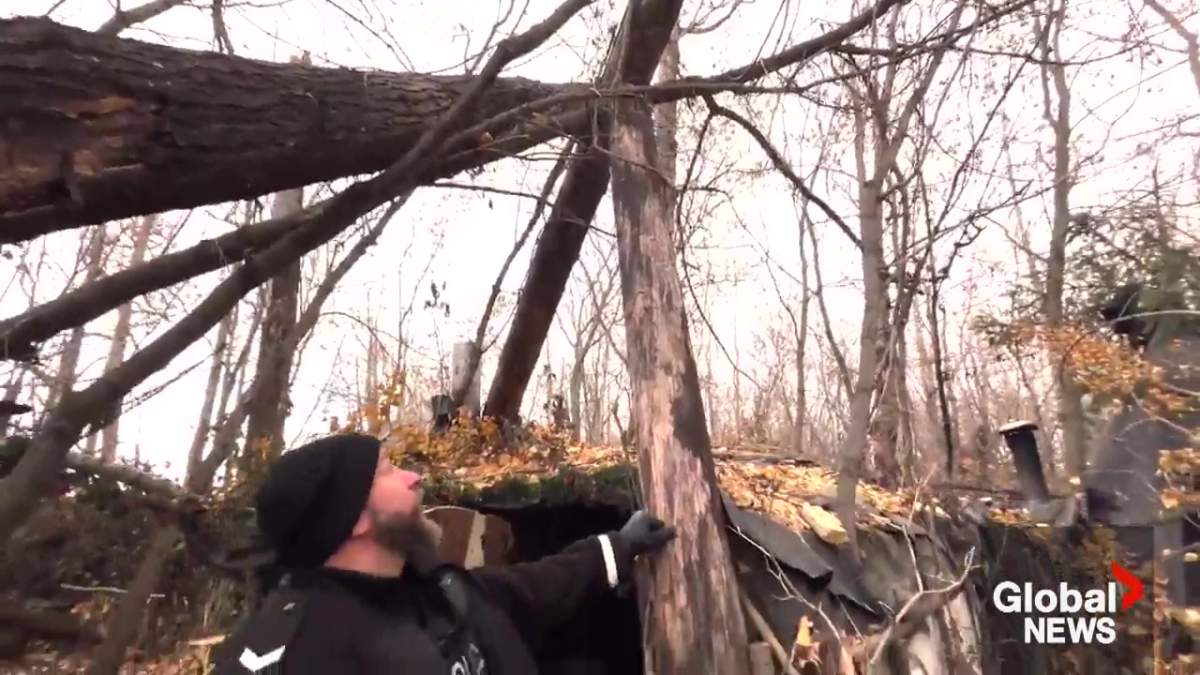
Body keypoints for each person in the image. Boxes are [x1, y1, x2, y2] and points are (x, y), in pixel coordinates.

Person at [210, 433, 676, 674]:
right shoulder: (291, 655)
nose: (413, 478)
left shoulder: (431, 591)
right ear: (353, 519)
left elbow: (533, 588)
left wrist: (621, 544)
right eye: (389, 472)